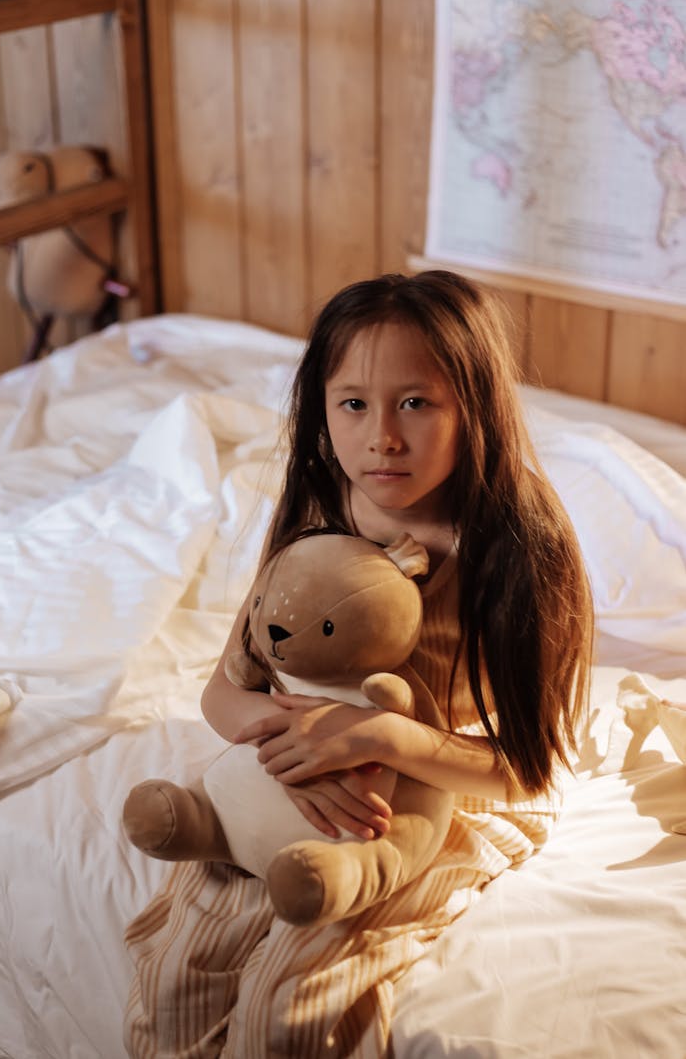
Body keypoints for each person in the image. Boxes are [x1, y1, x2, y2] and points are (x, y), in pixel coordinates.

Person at [124, 269, 594, 1059]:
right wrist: (287, 732)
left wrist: (375, 739)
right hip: (289, 766)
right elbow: (224, 686)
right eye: (354, 403)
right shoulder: (319, 513)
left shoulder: (518, 549)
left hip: (426, 787)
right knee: (176, 965)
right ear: (322, 412)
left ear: (474, 406)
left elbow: (526, 770)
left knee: (287, 1000)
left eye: (416, 401)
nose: (382, 436)